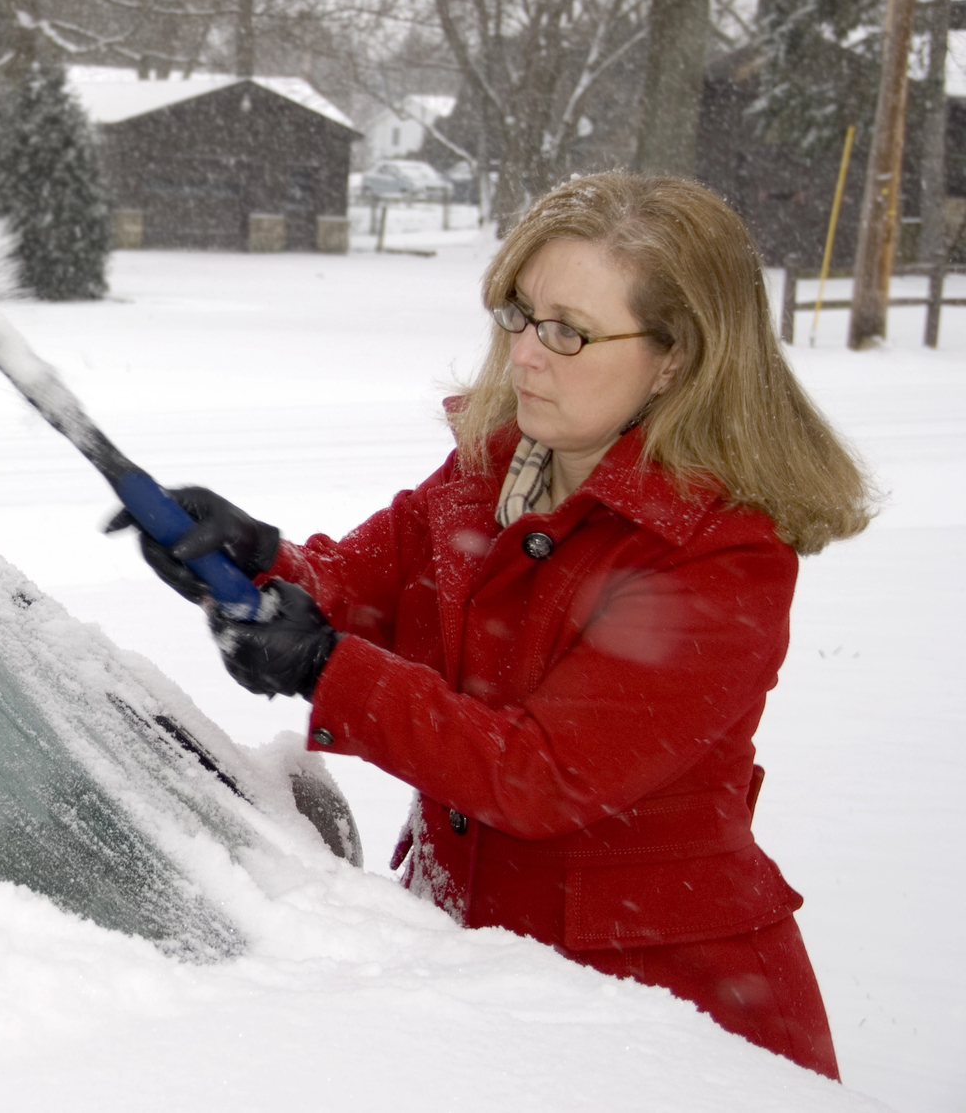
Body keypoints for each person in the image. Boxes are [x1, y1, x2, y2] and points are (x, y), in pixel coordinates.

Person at [118, 173, 871, 1079]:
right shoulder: (493, 468)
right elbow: (366, 588)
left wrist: (324, 665)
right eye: (519, 314)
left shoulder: (717, 556)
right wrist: (251, 560)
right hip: (472, 978)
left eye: (568, 331)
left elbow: (542, 776)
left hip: (660, 1016)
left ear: (676, 357)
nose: (523, 356)